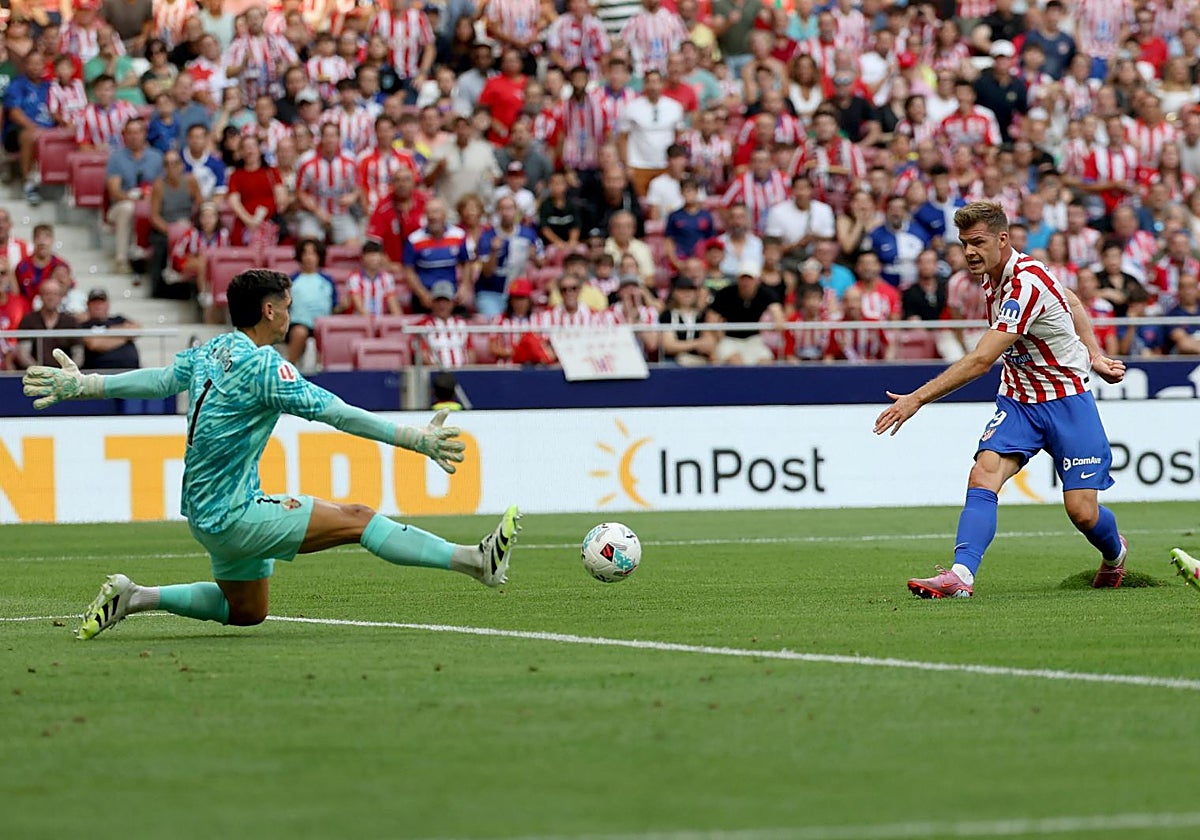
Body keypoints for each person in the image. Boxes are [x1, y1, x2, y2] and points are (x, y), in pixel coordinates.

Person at [21, 269, 520, 640]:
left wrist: (87, 384)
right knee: (359, 518)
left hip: (205, 512)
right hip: (235, 514)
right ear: (270, 311)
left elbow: (159, 379)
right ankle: (476, 561)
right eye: (287, 304)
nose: (290, 313)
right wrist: (416, 439)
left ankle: (136, 596)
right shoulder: (263, 366)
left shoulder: (212, 349)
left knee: (247, 611)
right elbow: (337, 413)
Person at [874, 201, 1129, 598]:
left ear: (1002, 239)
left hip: (1067, 401)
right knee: (983, 474)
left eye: (978, 242)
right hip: (1019, 401)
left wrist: (916, 399)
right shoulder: (994, 275)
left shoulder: (1025, 283)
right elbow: (1073, 301)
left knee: (1082, 512)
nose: (970, 251)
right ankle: (961, 575)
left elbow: (980, 361)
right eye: (964, 243)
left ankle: (1115, 555)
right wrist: (1094, 353)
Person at [13, 276, 79, 370]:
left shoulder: (71, 322)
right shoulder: (28, 320)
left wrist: (67, 371)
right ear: (40, 296)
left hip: (65, 376)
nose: (51, 297)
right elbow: (23, 354)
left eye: (55, 294)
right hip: (36, 377)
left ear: (61, 297)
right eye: (47, 293)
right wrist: (41, 372)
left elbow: (78, 354)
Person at [78, 287, 141, 370]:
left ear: (107, 304)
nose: (98, 306)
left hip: (131, 370)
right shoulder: (84, 325)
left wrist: (105, 335)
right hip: (100, 373)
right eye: (94, 303)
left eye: (101, 303)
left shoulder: (118, 319)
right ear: (88, 305)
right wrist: (124, 335)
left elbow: (137, 329)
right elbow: (94, 344)